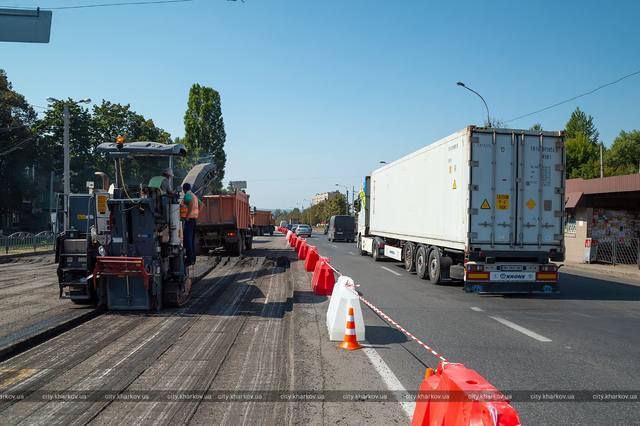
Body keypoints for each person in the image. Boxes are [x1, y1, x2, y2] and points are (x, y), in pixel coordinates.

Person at [181, 182, 199, 265]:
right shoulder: (194, 196)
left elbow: (191, 204)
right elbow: (202, 205)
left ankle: (188, 260)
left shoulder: (187, 195)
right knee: (191, 240)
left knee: (187, 241)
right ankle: (193, 259)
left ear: (184, 189)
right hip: (194, 220)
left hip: (189, 220)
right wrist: (196, 214)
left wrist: (188, 216)